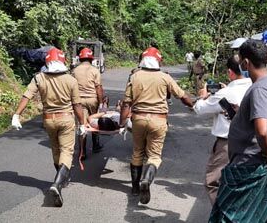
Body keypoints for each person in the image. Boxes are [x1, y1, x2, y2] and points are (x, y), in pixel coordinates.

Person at [209, 39, 267, 223]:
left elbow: (262, 130)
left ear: (245, 63)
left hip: (250, 167)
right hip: (254, 166)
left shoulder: (260, 89)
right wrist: (240, 114)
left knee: (231, 218)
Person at [11, 48, 86, 207]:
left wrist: (17, 114)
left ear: (47, 62)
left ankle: (61, 180)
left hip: (48, 120)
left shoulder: (39, 78)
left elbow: (27, 96)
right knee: (67, 151)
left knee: (56, 150)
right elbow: (77, 104)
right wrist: (82, 123)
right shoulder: (70, 80)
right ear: (63, 61)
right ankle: (57, 184)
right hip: (66, 119)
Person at [119, 47, 194, 204]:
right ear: (158, 61)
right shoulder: (165, 77)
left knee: (137, 152)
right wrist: (193, 105)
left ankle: (134, 188)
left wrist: (121, 123)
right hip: (158, 120)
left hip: (138, 118)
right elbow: (182, 95)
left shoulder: (134, 76)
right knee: (154, 156)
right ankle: (146, 179)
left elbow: (126, 103)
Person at [193, 55, 252, 205]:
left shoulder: (225, 94)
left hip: (227, 143)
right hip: (252, 143)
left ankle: (223, 215)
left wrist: (202, 96)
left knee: (213, 181)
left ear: (230, 72)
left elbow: (199, 109)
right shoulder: (255, 86)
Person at [71, 47, 104, 157]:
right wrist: (101, 102)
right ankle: (96, 145)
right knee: (94, 121)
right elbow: (98, 88)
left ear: (80, 58)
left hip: (79, 101)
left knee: (82, 125)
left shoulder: (75, 71)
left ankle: (82, 152)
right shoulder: (95, 70)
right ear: (91, 59)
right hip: (92, 100)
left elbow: (71, 87)